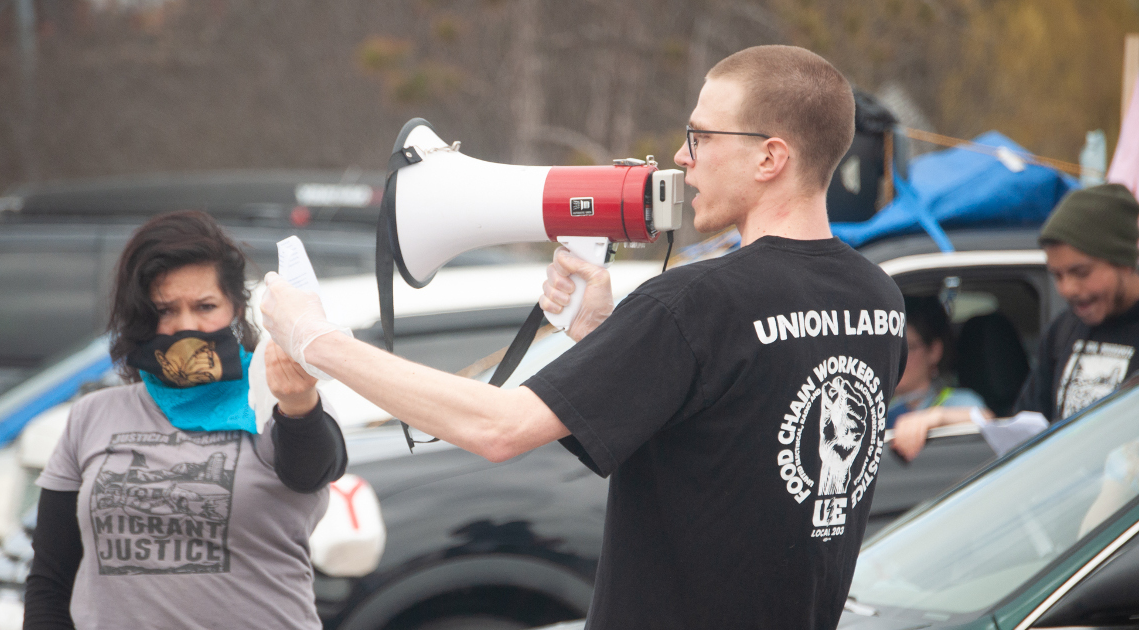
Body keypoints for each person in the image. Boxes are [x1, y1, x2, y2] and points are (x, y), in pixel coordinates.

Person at [262, 46, 906, 629]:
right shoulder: (879, 298)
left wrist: (317, 339)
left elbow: (499, 429)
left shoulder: (695, 303)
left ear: (770, 156)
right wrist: (600, 335)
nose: (682, 158)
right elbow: (726, 446)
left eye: (701, 137)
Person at [23, 211, 347, 630]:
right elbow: (50, 582)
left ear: (236, 307)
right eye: (165, 310)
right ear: (139, 317)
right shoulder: (92, 416)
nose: (186, 327)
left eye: (205, 306)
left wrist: (299, 402)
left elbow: (314, 469)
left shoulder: (276, 397)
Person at [892, 183, 1139, 462]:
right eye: (1057, 276)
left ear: (1125, 261)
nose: (1068, 289)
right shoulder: (1064, 331)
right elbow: (1026, 427)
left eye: (1080, 272)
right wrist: (953, 418)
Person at [886, 295, 986, 429]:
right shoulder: (881, 407)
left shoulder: (957, 401)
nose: (896, 359)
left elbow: (986, 420)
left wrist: (937, 417)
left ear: (934, 351)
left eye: (907, 348)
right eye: (889, 349)